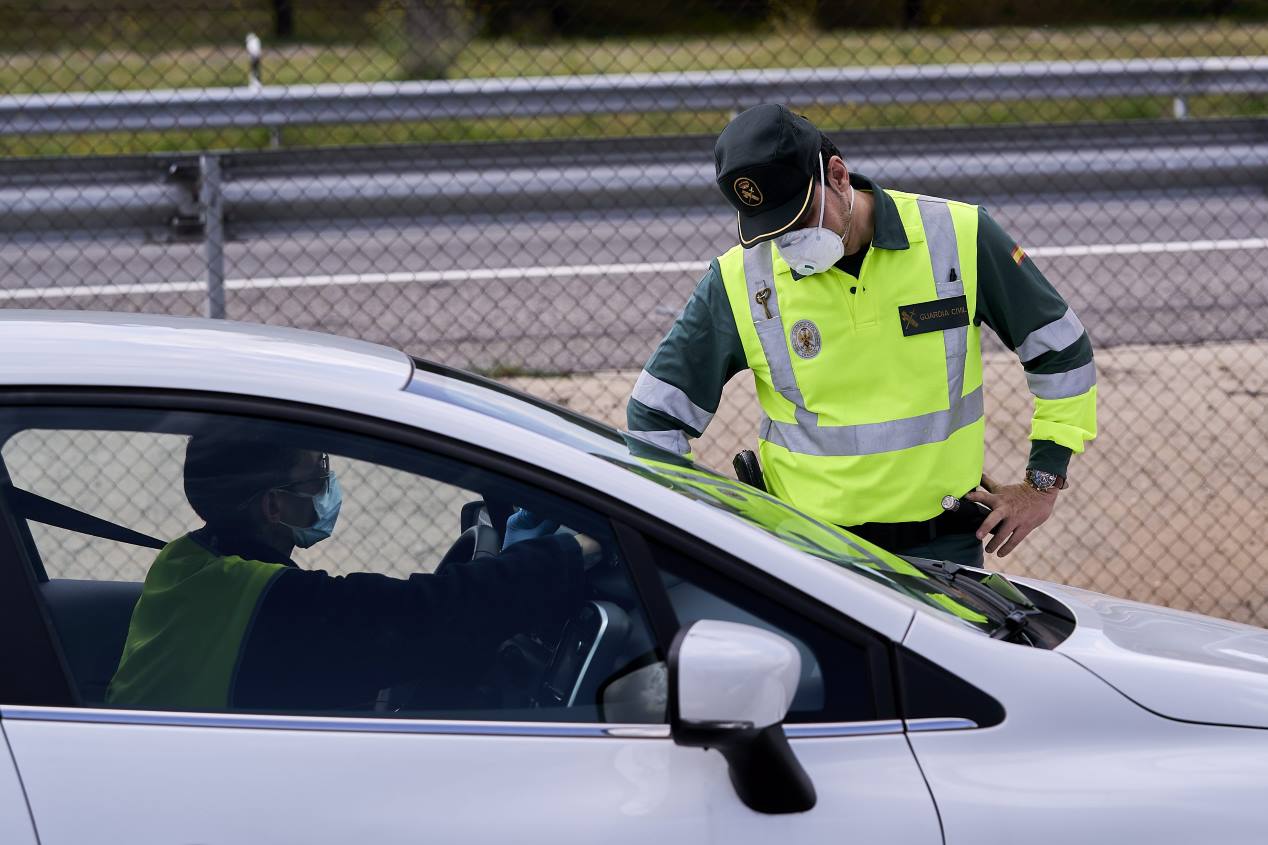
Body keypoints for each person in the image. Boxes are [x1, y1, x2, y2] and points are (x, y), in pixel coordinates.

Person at [627, 104, 1097, 565]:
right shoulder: (740, 280)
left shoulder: (957, 237)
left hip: (940, 552)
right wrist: (692, 525)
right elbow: (654, 413)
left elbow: (1062, 351)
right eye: (771, 231)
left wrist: (1042, 485)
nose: (788, 245)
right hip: (807, 555)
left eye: (799, 219)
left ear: (837, 175)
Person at [107, 430, 593, 712]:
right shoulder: (269, 600)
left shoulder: (186, 561)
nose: (326, 481)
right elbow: (422, 616)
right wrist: (570, 552)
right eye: (315, 473)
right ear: (274, 505)